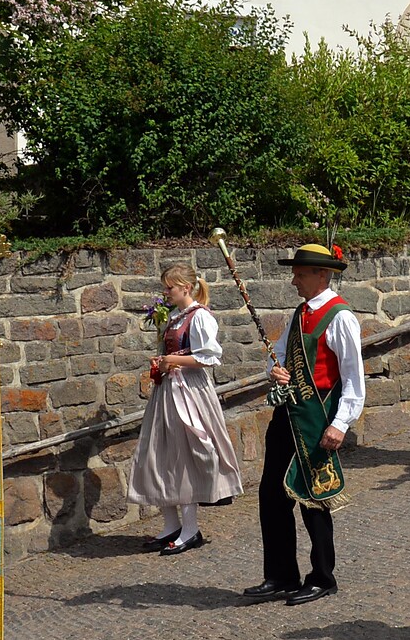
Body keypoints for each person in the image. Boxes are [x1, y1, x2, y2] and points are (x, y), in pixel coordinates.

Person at [244, 242, 365, 606]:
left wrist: (341, 424)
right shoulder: (300, 313)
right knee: (272, 495)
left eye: (300, 273)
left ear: (321, 275)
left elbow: (354, 378)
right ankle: (281, 574)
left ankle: (322, 576)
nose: (294, 280)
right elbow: (279, 354)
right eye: (295, 273)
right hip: (287, 415)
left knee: (314, 497)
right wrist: (275, 370)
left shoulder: (340, 317)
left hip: (317, 417)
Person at [127, 263, 244, 554]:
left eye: (170, 287)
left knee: (185, 456)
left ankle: (191, 529)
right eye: (165, 287)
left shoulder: (200, 316)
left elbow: (210, 357)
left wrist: (174, 361)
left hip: (189, 392)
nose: (166, 292)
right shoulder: (175, 316)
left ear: (186, 288)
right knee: (160, 454)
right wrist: (164, 361)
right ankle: (171, 525)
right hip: (168, 390)